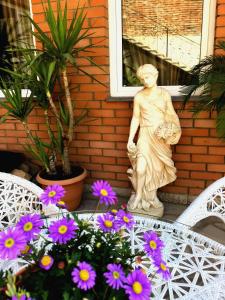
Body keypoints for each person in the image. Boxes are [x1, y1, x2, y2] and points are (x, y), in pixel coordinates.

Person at [127, 64, 181, 214]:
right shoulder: (139, 96)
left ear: (155, 76)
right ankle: (138, 196)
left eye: (147, 77)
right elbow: (136, 118)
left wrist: (172, 130)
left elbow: (171, 114)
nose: (145, 81)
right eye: (142, 78)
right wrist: (130, 140)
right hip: (145, 134)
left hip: (159, 137)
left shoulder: (164, 94)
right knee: (141, 168)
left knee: (156, 169)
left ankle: (151, 197)